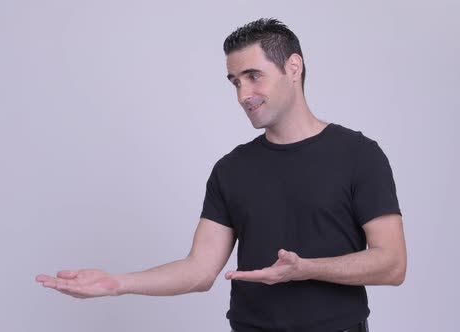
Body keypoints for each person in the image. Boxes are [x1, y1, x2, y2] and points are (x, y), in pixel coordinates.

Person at [36, 18, 407, 332]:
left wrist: (305, 269)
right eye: (235, 81)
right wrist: (116, 283)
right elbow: (199, 270)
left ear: (293, 68)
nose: (244, 94)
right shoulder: (231, 169)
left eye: (253, 76)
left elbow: (392, 263)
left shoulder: (359, 155)